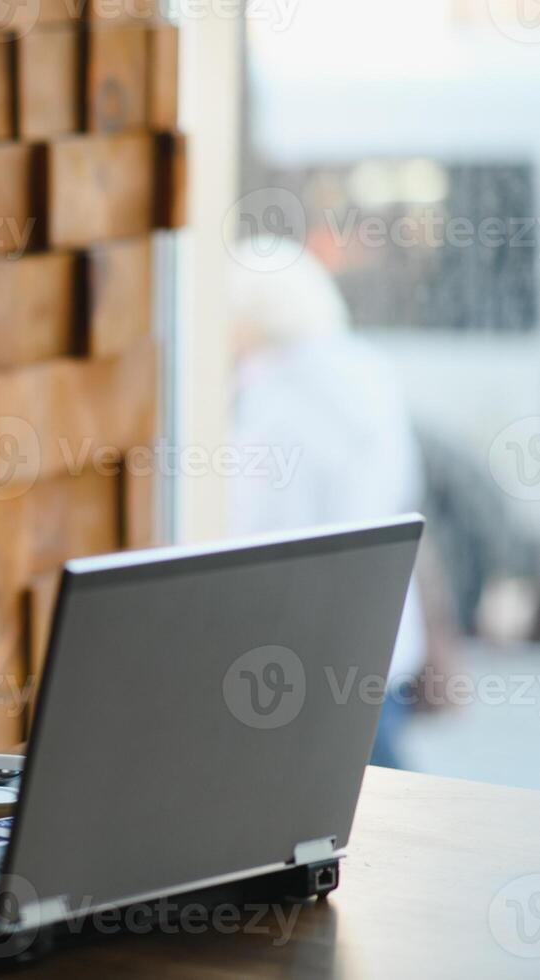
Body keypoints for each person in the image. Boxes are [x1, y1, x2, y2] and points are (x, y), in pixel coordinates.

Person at [226, 238, 427, 767]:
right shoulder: (367, 371)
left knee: (362, 796)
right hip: (383, 630)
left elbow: (259, 526)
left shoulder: (278, 397)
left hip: (316, 652)